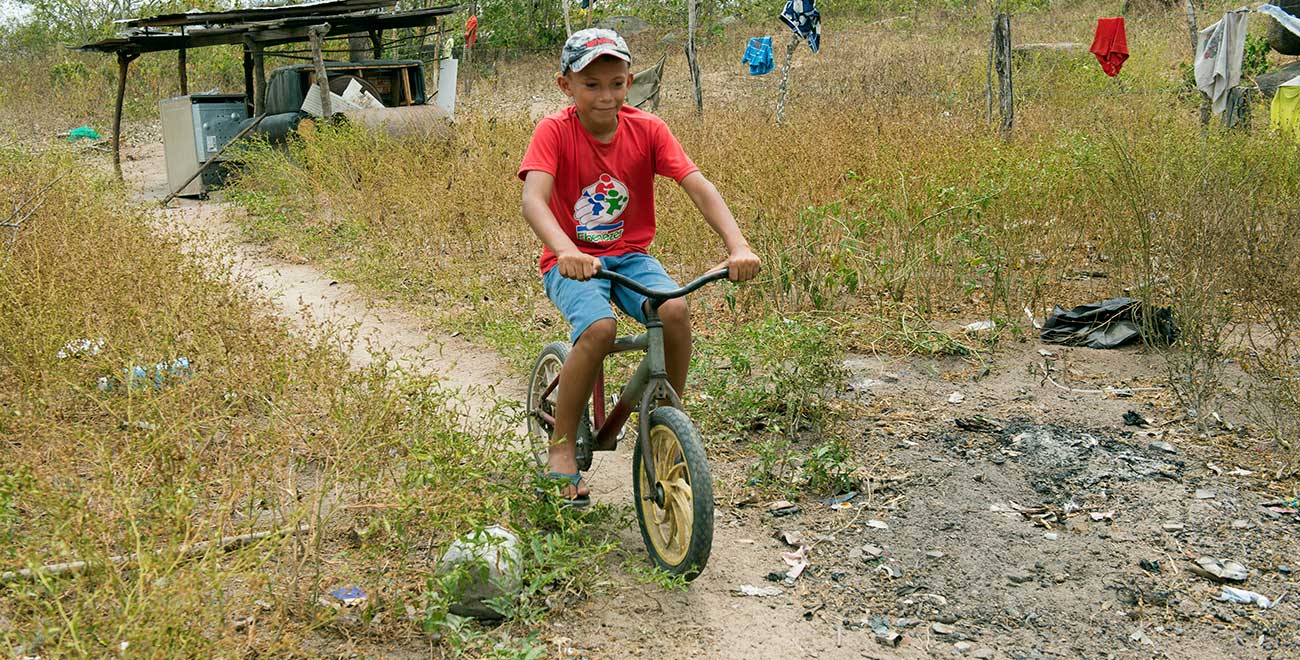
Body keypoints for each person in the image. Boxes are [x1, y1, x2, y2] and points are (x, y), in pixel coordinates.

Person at [518, 28, 760, 505]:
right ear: (566, 86)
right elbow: (534, 201)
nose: (606, 96)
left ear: (630, 81)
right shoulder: (554, 131)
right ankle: (562, 447)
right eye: (592, 85)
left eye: (616, 83)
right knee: (600, 329)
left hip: (630, 257)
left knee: (673, 311)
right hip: (569, 261)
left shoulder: (648, 129)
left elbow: (697, 185)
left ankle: (670, 412)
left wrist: (737, 245)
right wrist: (565, 248)